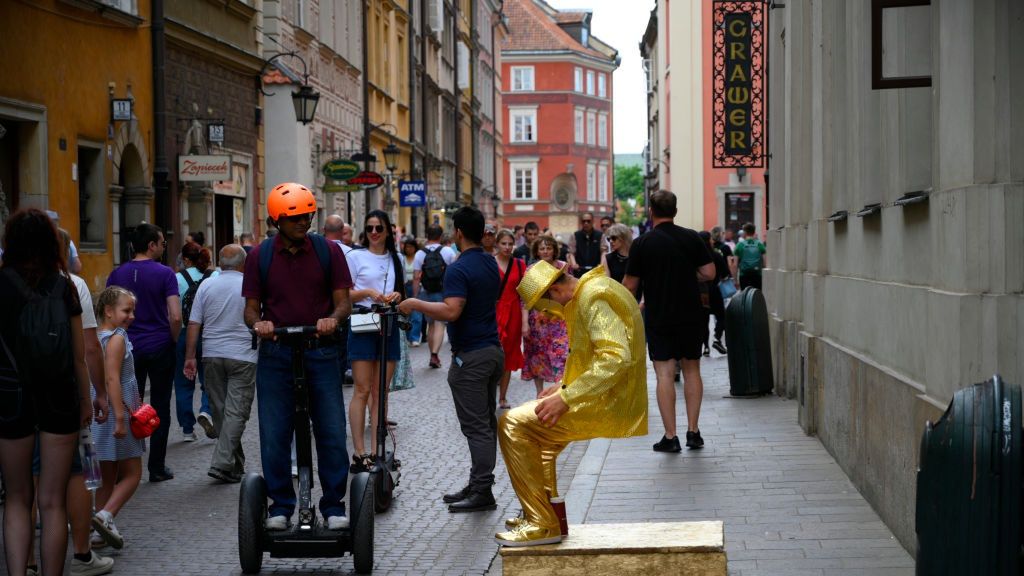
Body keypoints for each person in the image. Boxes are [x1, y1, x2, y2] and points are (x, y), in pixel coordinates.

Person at [495, 260, 647, 546]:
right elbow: (589, 354)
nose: (548, 313)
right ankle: (547, 517)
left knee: (512, 423)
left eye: (546, 305)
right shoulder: (589, 292)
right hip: (605, 394)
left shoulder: (593, 297)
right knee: (539, 431)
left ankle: (542, 522)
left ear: (555, 290)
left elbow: (615, 359)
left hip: (610, 400)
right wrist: (562, 386)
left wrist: (567, 397)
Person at [242, 182, 354, 531]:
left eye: (307, 216)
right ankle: (280, 506)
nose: (303, 223)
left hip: (319, 352)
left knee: (332, 430)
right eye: (294, 219)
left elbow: (344, 303)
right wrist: (260, 323)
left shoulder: (328, 251)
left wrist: (331, 320)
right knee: (275, 432)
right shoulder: (259, 256)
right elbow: (249, 309)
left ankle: (334, 505)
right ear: (277, 221)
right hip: (276, 354)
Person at [0, 208, 92, 576]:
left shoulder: (0, 283)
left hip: (9, 397)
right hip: (59, 396)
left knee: (18, 497)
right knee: (53, 501)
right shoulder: (64, 285)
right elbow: (79, 357)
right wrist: (86, 401)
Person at [400, 206, 504, 513]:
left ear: (458, 232)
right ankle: (477, 484)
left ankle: (482, 490)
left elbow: (451, 311)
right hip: (491, 350)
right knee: (484, 422)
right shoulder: (489, 262)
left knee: (478, 427)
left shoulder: (459, 268)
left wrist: (415, 303)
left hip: (471, 355)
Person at [623, 191, 715, 453]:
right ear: (675, 210)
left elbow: (630, 285)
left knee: (664, 373)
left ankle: (670, 436)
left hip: (659, 313)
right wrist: (687, 276)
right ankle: (694, 432)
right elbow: (709, 272)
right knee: (692, 370)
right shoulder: (692, 237)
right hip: (691, 313)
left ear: (651, 210)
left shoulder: (643, 243)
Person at [106, 223, 180, 482]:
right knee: (159, 407)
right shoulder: (165, 274)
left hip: (126, 347)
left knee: (126, 404)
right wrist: (173, 339)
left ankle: (124, 465)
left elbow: (108, 311)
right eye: (161, 242)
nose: (163, 247)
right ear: (151, 245)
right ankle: (156, 468)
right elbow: (175, 315)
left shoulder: (116, 274)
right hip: (160, 345)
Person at [183, 245, 257, 484]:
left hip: (212, 355)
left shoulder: (206, 284)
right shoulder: (250, 285)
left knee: (221, 410)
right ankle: (223, 463)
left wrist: (190, 356)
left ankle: (234, 465)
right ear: (243, 264)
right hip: (243, 355)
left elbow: (194, 323)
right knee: (236, 412)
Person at [345, 210, 404, 472]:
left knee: (382, 392)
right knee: (362, 389)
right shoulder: (355, 256)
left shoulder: (396, 258)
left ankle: (377, 450)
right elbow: (344, 294)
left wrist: (396, 296)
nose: (374, 233)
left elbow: (403, 292)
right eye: (369, 228)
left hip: (388, 324)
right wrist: (368, 293)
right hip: (362, 323)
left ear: (388, 230)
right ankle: (359, 453)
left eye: (379, 228)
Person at [89, 286, 145, 552]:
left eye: (133, 310)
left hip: (100, 412)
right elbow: (112, 378)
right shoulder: (118, 337)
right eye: (126, 310)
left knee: (106, 476)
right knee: (133, 474)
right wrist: (121, 418)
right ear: (108, 311)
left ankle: (98, 534)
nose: (131, 316)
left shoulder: (94, 337)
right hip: (116, 412)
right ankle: (105, 515)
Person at [174, 242, 217, 442]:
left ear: (185, 259)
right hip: (208, 332)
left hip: (184, 333)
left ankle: (187, 429)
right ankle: (207, 411)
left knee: (183, 382)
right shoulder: (214, 276)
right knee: (209, 380)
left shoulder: (177, 278)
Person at [521, 236, 569, 396]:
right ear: (537, 251)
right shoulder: (532, 270)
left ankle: (558, 391)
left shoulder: (563, 267)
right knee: (537, 356)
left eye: (548, 248)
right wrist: (524, 323)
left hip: (559, 319)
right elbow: (525, 298)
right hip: (538, 321)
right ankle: (539, 393)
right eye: (542, 248)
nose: (546, 251)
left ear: (554, 249)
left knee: (561, 354)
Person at [412, 225, 457, 369]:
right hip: (443, 292)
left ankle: (433, 353)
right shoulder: (447, 251)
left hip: (426, 292)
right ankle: (434, 354)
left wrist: (415, 296)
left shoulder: (420, 253)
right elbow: (455, 272)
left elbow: (416, 277)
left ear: (427, 235)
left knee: (430, 324)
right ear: (440, 236)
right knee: (439, 323)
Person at [494, 230, 526, 410]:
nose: (507, 247)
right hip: (494, 311)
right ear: (497, 244)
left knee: (508, 354)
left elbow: (525, 294)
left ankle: (503, 397)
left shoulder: (520, 265)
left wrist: (525, 321)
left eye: (510, 244)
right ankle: (490, 394)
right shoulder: (490, 263)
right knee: (492, 354)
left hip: (513, 312)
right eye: (503, 243)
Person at [699, 231, 729, 356]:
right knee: (721, 316)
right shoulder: (716, 255)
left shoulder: (696, 256)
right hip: (715, 290)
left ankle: (705, 347)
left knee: (703, 319)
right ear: (709, 240)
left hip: (701, 291)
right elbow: (725, 274)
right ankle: (717, 338)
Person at [400, 236, 423, 346]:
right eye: (407, 247)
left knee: (416, 312)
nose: (409, 249)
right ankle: (407, 336)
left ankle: (414, 337)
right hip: (404, 286)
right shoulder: (401, 258)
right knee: (405, 312)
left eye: (411, 247)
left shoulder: (418, 258)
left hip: (416, 285)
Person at [567, 212, 602, 277]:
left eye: (588, 221)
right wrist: (574, 264)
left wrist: (602, 265)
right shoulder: (575, 235)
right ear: (581, 222)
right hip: (579, 271)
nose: (586, 223)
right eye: (584, 221)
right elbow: (571, 252)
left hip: (596, 271)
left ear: (592, 222)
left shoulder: (600, 235)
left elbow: (603, 252)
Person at [735, 222, 766, 290]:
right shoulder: (760, 245)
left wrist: (735, 279)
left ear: (745, 232)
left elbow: (735, 265)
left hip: (744, 275)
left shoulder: (739, 245)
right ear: (754, 231)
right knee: (757, 295)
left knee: (745, 297)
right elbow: (765, 263)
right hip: (757, 275)